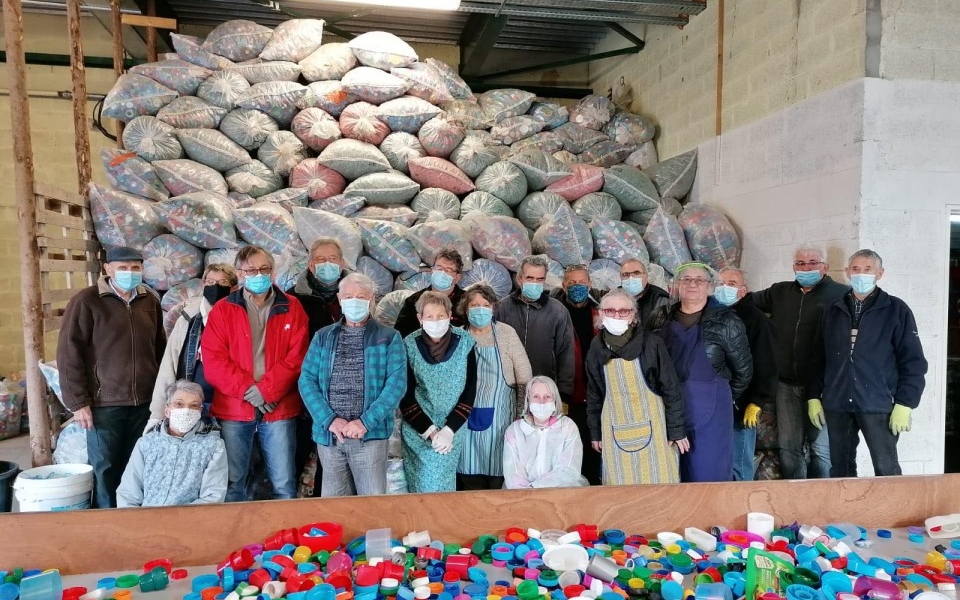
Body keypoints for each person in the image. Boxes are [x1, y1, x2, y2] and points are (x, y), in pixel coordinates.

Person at [56, 246, 165, 508]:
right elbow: (69, 354)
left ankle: (132, 519)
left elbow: (159, 349)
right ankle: (106, 520)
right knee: (105, 467)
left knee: (136, 464)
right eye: (123, 268)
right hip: (105, 403)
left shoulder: (149, 301)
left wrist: (162, 395)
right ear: (108, 269)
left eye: (135, 268)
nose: (130, 273)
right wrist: (79, 403)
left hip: (144, 402)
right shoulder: (87, 301)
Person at [201, 245, 309, 501]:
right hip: (234, 408)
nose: (258, 275)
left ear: (273, 272)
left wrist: (268, 390)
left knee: (283, 483)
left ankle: (285, 539)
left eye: (264, 269)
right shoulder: (223, 309)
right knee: (232, 482)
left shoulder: (293, 307)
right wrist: (252, 393)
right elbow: (214, 361)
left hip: (278, 408)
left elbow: (298, 357)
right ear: (240, 273)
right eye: (251, 270)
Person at [808, 249, 928, 477]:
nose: (861, 274)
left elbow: (913, 361)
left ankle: (891, 514)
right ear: (847, 273)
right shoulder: (832, 310)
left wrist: (905, 403)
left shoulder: (896, 310)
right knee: (840, 469)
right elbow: (817, 358)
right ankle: (846, 513)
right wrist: (813, 396)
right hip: (838, 402)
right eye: (855, 269)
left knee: (886, 468)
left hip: (877, 403)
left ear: (879, 273)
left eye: (867, 269)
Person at [298, 273, 407, 496]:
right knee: (334, 505)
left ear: (372, 299)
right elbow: (306, 380)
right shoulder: (323, 336)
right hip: (330, 436)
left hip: (369, 436)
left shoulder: (389, 337)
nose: (354, 301)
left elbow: (396, 385)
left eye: (361, 296)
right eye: (348, 296)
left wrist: (364, 422)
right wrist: (330, 420)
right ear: (339, 299)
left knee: (371, 504)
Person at [651, 262, 753, 482]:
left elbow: (743, 371)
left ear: (709, 287)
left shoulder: (726, 320)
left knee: (708, 476)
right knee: (671, 474)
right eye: (686, 279)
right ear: (677, 285)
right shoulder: (660, 317)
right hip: (667, 409)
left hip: (713, 414)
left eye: (699, 280)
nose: (692, 284)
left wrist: (719, 396)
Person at [752, 246, 847, 479]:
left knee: (821, 450)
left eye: (813, 263)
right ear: (794, 267)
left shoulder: (841, 295)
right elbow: (746, 303)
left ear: (825, 266)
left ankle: (821, 500)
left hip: (824, 387)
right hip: (786, 385)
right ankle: (796, 500)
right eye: (801, 264)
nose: (807, 268)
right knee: (789, 446)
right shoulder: (780, 292)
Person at [586, 289, 688, 485]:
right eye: (610, 311)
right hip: (614, 431)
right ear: (600, 314)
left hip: (657, 432)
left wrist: (676, 429)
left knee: (660, 488)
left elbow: (671, 388)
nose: (617, 315)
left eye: (623, 311)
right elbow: (594, 396)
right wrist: (596, 432)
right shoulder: (595, 348)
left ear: (633, 315)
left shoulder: (651, 343)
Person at [287, 238, 349, 497]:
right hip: (302, 391)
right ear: (311, 265)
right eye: (321, 260)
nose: (327, 265)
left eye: (332, 259)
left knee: (332, 461)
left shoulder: (353, 295)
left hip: (342, 395)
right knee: (296, 454)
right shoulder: (293, 298)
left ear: (342, 263)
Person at [456, 284, 533, 490]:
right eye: (474, 305)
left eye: (485, 304)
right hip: (462, 419)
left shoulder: (506, 333)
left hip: (501, 420)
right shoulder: (457, 336)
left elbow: (524, 376)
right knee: (469, 479)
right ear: (465, 309)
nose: (480, 309)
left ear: (493, 308)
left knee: (500, 475)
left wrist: (521, 415)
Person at [399, 291, 477, 492]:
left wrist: (449, 430)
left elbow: (469, 391)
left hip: (452, 427)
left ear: (450, 315)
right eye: (430, 316)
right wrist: (431, 431)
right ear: (420, 319)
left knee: (439, 484)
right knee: (417, 486)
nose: (436, 321)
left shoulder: (465, 342)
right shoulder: (408, 344)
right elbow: (405, 395)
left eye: (441, 316)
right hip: (419, 429)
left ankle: (438, 524)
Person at [147, 264, 238, 431]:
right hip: (192, 404)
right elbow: (169, 365)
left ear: (234, 288)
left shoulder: (241, 319)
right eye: (210, 281)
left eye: (222, 282)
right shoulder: (188, 319)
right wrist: (157, 414)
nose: (215, 287)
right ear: (203, 285)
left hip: (231, 405)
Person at [117, 380, 228, 507]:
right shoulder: (147, 444)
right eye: (179, 404)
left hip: (188, 523)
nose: (186, 411)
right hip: (145, 521)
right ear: (167, 410)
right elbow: (128, 493)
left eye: (194, 406)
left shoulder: (213, 446)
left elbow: (213, 496)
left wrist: (174, 521)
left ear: (200, 412)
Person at [714, 267, 779, 481]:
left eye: (731, 284)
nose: (725, 288)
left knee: (739, 461)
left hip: (741, 404)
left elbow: (767, 364)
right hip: (715, 401)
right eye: (721, 283)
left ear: (743, 290)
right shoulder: (712, 315)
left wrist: (757, 401)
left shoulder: (756, 321)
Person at [496, 255, 575, 402]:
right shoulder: (503, 307)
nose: (535, 283)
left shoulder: (558, 311)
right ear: (520, 279)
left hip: (544, 389)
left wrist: (564, 393)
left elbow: (566, 353)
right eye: (530, 278)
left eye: (540, 279)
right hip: (507, 388)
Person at [550, 264, 602, 485]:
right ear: (563, 286)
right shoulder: (555, 312)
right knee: (566, 452)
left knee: (593, 451)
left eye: (581, 282)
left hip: (593, 396)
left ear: (589, 284)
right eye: (571, 283)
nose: (577, 287)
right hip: (566, 395)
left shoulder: (599, 312)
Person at [502, 376, 589, 489]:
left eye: (547, 397)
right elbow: (512, 474)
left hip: (561, 492)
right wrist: (526, 495)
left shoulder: (567, 426)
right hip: (522, 496)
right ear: (528, 400)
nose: (541, 402)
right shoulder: (514, 430)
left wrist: (536, 487)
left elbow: (569, 470)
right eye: (536, 397)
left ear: (555, 399)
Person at [394, 249, 467, 338]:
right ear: (432, 271)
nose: (442, 273)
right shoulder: (414, 301)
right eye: (439, 268)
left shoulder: (467, 301)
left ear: (457, 278)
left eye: (448, 270)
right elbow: (400, 336)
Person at [620, 258, 670, 328]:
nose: (631, 278)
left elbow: (660, 332)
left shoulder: (659, 299)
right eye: (626, 275)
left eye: (636, 273)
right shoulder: (616, 295)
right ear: (621, 278)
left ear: (646, 276)